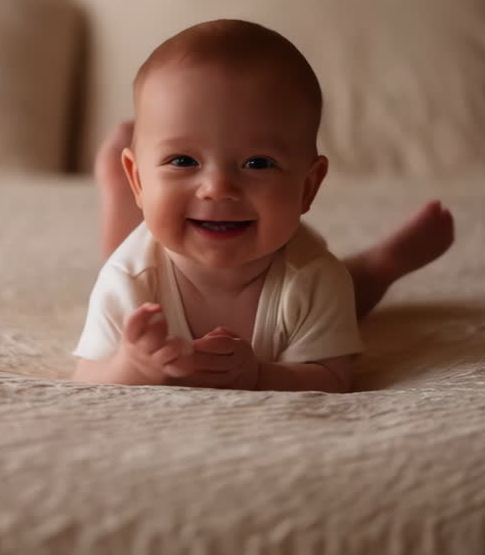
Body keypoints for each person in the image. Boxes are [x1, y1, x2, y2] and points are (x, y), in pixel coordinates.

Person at [72, 20, 454, 391]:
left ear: (308, 187)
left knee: (347, 294)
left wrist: (260, 375)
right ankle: (120, 195)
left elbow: (332, 378)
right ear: (138, 179)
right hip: (150, 251)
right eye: (183, 160)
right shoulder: (128, 279)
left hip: (300, 273)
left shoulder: (313, 278)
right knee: (125, 249)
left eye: (257, 163)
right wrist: (132, 366)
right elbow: (88, 376)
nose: (218, 188)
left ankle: (378, 267)